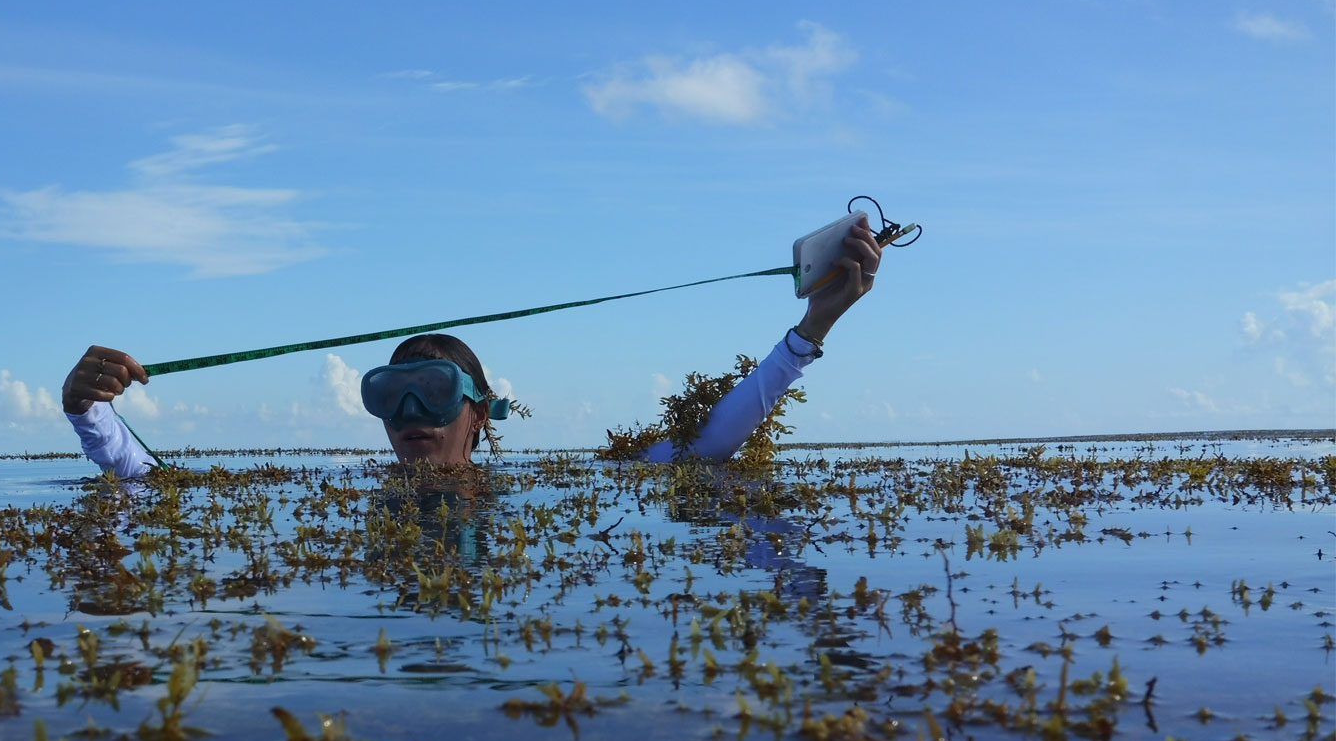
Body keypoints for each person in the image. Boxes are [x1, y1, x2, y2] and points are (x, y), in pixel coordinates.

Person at [61, 218, 884, 477]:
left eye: (435, 391)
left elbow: (705, 449)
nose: (412, 415)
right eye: (393, 394)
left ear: (481, 414)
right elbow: (153, 485)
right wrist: (89, 412)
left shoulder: (543, 489)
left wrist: (814, 328)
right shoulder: (334, 494)